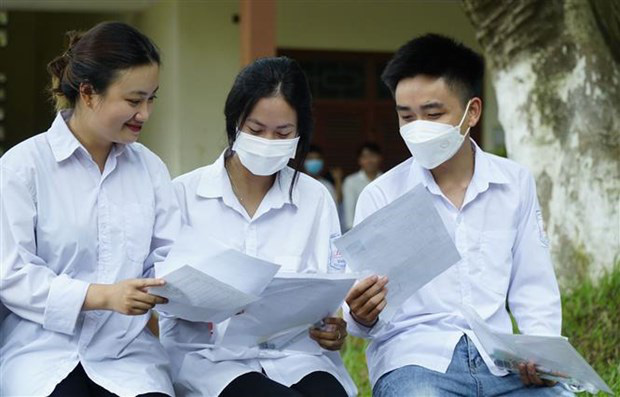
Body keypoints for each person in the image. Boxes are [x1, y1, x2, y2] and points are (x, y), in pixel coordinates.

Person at [344, 34, 572, 396]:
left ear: (473, 112)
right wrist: (359, 312)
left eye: (433, 114)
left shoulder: (513, 184)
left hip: (502, 365)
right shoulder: (382, 195)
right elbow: (361, 307)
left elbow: (533, 284)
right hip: (417, 362)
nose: (419, 127)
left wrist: (541, 353)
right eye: (406, 116)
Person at [0, 22, 180, 397]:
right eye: (133, 100)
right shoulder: (23, 167)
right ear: (88, 93)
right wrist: (102, 296)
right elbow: (13, 275)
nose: (145, 114)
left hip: (128, 357)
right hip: (43, 353)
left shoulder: (150, 170)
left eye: (151, 99)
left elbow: (168, 257)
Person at [159, 57, 356, 397]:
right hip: (210, 358)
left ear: (300, 134)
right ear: (235, 122)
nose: (268, 141)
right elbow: (161, 289)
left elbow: (332, 285)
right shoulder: (184, 195)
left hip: (296, 355)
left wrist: (335, 327)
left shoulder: (314, 198)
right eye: (255, 130)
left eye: (283, 133)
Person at [342, 142, 383, 231]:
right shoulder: (351, 181)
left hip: (384, 228)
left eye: (372, 156)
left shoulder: (386, 179)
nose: (369, 160)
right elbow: (349, 210)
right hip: (360, 231)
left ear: (380, 158)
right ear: (359, 160)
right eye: (364, 157)